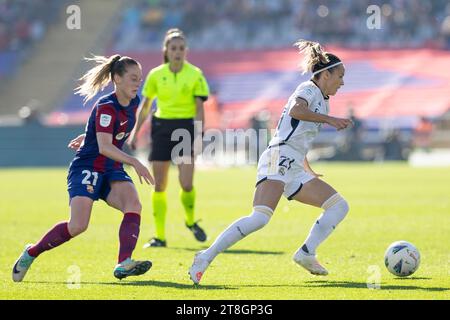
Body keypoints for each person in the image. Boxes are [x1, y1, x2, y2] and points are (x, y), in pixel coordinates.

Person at [189, 40, 353, 284]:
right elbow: (297, 111)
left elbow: (296, 133)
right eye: (339, 76)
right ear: (325, 74)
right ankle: (205, 256)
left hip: (293, 164)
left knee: (339, 206)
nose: (342, 82)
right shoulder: (308, 90)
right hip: (278, 158)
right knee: (260, 217)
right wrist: (329, 120)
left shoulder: (322, 99)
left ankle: (306, 253)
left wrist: (306, 166)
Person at [12, 54, 155, 282]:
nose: (138, 83)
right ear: (117, 79)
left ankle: (123, 262)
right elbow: (105, 146)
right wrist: (135, 161)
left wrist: (89, 134)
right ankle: (31, 252)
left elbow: (109, 134)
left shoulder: (134, 102)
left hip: (111, 167)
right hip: (88, 165)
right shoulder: (106, 106)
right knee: (78, 226)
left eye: (140, 78)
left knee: (133, 204)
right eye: (133, 78)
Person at [128, 28, 210, 248]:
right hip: (161, 128)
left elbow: (200, 108)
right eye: (173, 48)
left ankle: (191, 221)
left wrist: (200, 135)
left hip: (185, 130)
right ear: (166, 50)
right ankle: (160, 236)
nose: (178, 52)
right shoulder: (156, 75)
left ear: (186, 51)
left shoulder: (195, 74)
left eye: (181, 48)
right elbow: (145, 107)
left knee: (186, 183)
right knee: (160, 185)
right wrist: (136, 132)